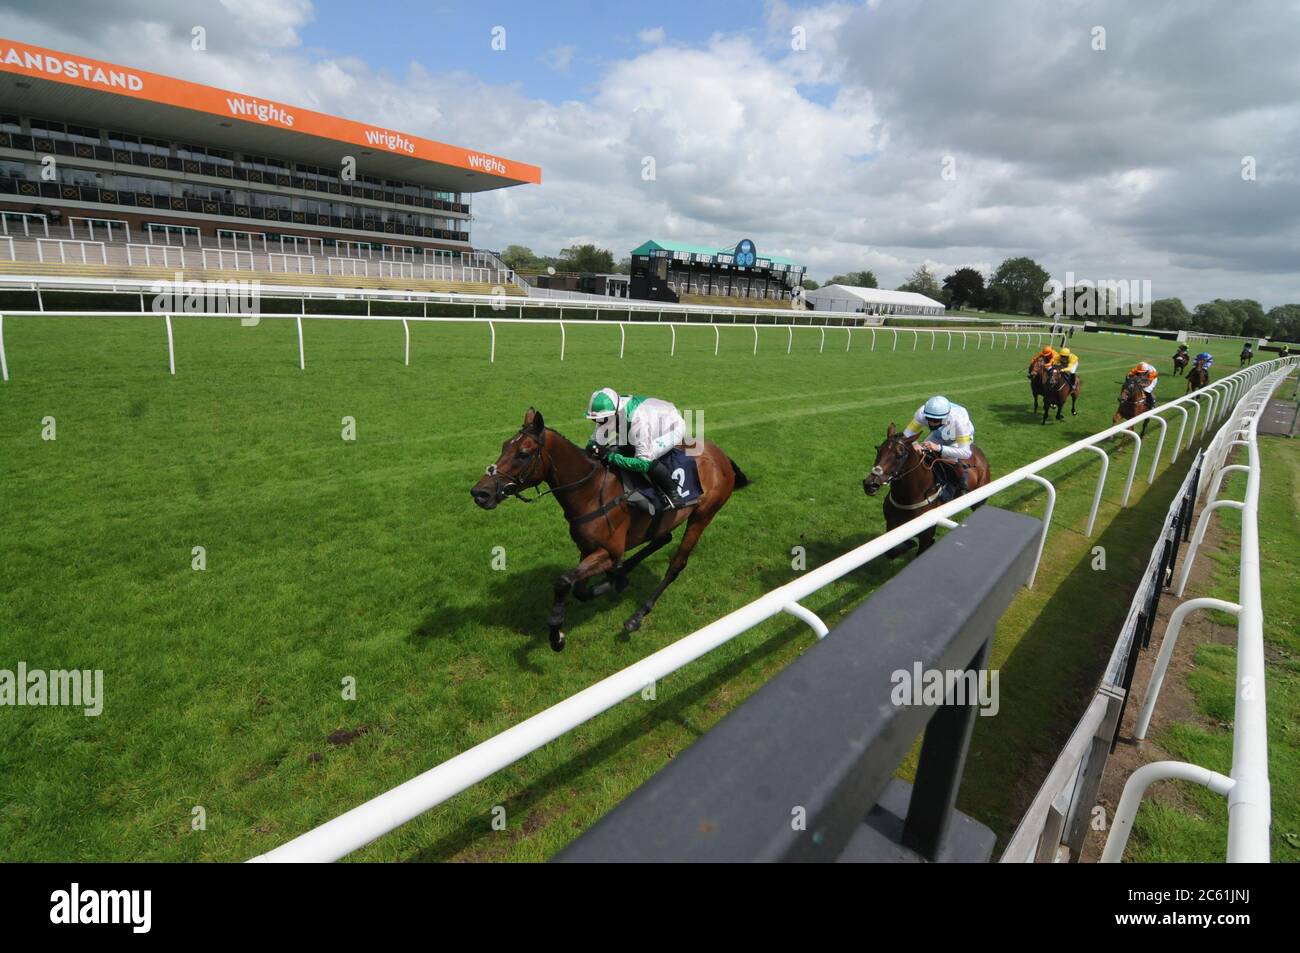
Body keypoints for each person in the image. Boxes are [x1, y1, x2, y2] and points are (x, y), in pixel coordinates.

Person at [585, 387, 688, 507]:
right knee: (618, 446)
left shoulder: (637, 420)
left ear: (616, 413)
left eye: (602, 420)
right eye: (595, 420)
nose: (599, 423)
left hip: (671, 426)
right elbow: (594, 444)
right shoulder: (611, 414)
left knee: (649, 454)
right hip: (651, 420)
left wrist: (611, 457)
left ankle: (673, 494)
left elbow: (643, 463)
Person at [903, 395, 976, 498]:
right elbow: (906, 435)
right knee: (921, 454)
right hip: (939, 434)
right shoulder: (922, 413)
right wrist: (914, 444)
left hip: (957, 438)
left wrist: (938, 448)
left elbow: (966, 453)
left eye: (936, 420)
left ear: (945, 417)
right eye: (929, 419)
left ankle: (961, 485)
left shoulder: (959, 421)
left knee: (948, 457)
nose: (932, 423)